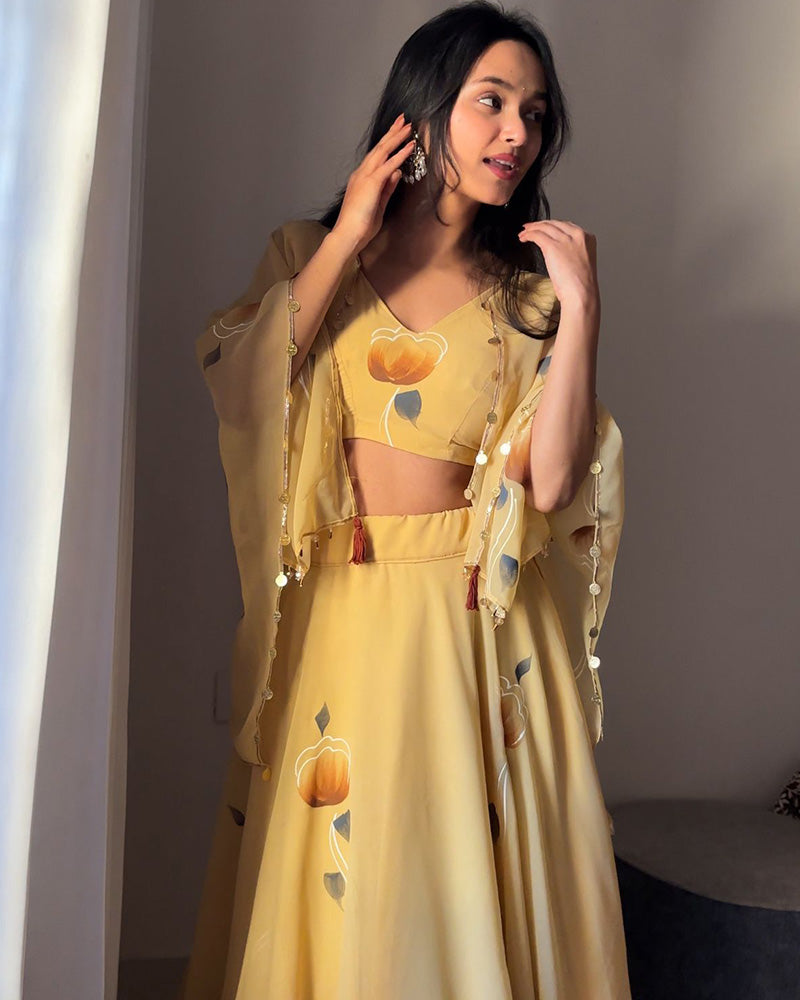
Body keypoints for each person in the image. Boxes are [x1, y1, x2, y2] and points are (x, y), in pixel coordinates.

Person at [179, 2, 630, 997]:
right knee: (350, 875)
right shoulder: (311, 255)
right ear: (423, 109)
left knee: (445, 879)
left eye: (535, 113)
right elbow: (245, 387)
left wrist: (585, 306)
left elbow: (555, 484)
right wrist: (349, 230)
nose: (517, 133)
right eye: (490, 102)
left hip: (467, 626)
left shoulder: (529, 296)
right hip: (340, 615)